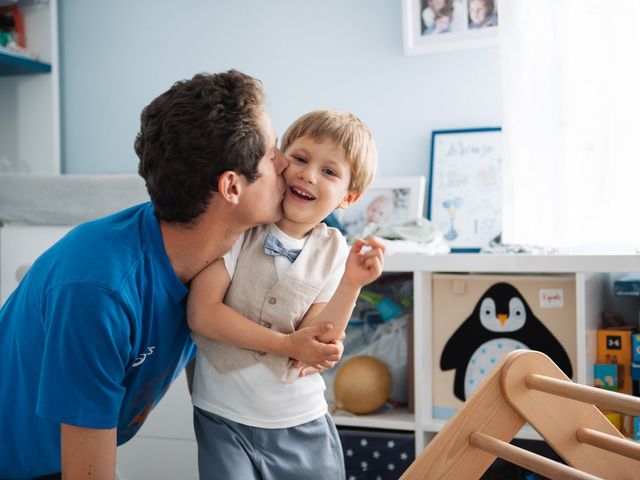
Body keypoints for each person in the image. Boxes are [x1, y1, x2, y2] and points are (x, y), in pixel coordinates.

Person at [0, 70, 342, 480]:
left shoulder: (216, 253)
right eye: (272, 154)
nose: (287, 163)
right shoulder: (99, 291)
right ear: (232, 187)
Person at [187, 109, 385, 479]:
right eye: (301, 158)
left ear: (349, 196)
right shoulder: (241, 227)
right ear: (279, 160)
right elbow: (203, 313)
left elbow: (318, 340)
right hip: (222, 420)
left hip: (299, 424)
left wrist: (351, 284)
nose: (309, 175)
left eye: (329, 172)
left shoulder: (336, 252)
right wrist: (286, 345)